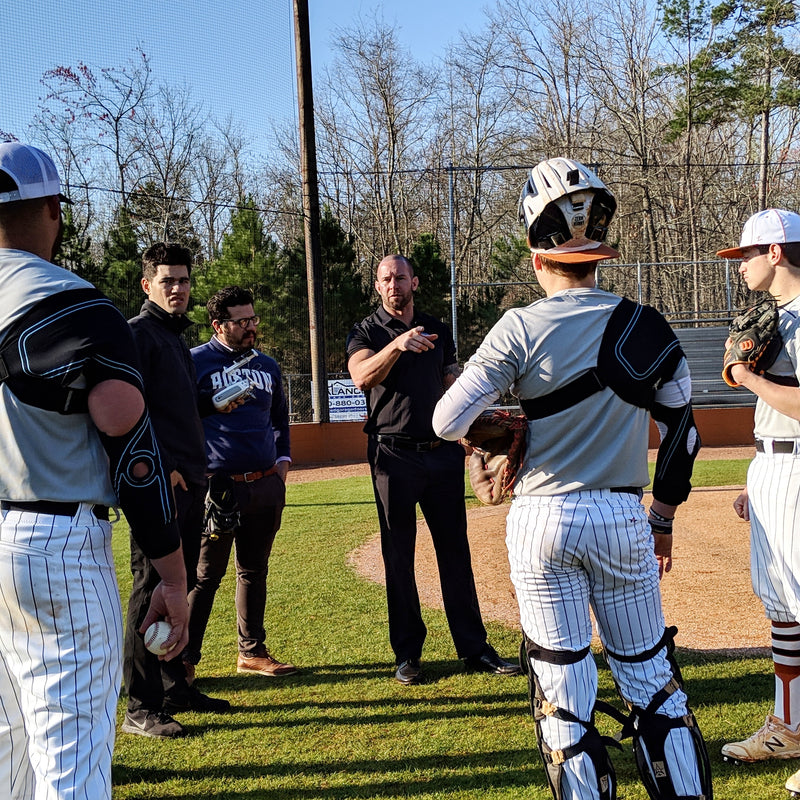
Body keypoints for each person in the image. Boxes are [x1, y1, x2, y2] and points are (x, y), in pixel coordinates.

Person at [432, 158, 712, 799]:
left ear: (537, 256)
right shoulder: (647, 325)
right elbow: (684, 438)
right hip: (620, 516)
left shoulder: (519, 327)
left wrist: (507, 421)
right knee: (652, 684)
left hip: (540, 519)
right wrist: (663, 519)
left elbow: (447, 421)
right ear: (599, 255)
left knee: (562, 694)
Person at [0, 142, 188, 798]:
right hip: (52, 546)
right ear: (54, 208)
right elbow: (132, 450)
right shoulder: (78, 306)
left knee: (6, 758)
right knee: (70, 766)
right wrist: (171, 574)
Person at [346, 254, 521, 685]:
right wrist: (397, 345)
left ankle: (474, 649)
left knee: (455, 553)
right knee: (398, 556)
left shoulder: (437, 329)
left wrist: (476, 426)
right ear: (377, 285)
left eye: (400, 278)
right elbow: (361, 377)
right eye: (386, 279)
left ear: (415, 282)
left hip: (441, 454)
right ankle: (408, 654)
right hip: (392, 456)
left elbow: (452, 385)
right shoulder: (366, 331)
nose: (394, 285)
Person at [121, 243, 230, 740]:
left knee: (176, 588)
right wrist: (162, 468)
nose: (178, 288)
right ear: (148, 285)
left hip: (191, 482)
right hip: (162, 487)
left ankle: (174, 689)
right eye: (168, 280)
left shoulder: (173, 338)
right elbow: (128, 411)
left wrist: (212, 403)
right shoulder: (138, 336)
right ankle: (140, 706)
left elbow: (172, 408)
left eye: (184, 280)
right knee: (150, 589)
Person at [716, 209, 800, 796]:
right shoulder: (780, 317)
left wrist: (745, 376)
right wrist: (758, 475)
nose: (740, 266)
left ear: (775, 252)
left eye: (746, 254)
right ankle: (788, 728)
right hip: (775, 463)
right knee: (783, 607)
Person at [185, 286, 297, 678]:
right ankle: (184, 660)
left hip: (264, 484)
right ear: (218, 325)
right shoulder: (194, 362)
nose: (251, 326)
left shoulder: (267, 365)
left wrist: (282, 465)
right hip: (218, 488)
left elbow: (279, 419)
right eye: (242, 321)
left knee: (253, 570)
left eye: (253, 318)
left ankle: (251, 652)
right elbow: (180, 420)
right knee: (205, 576)